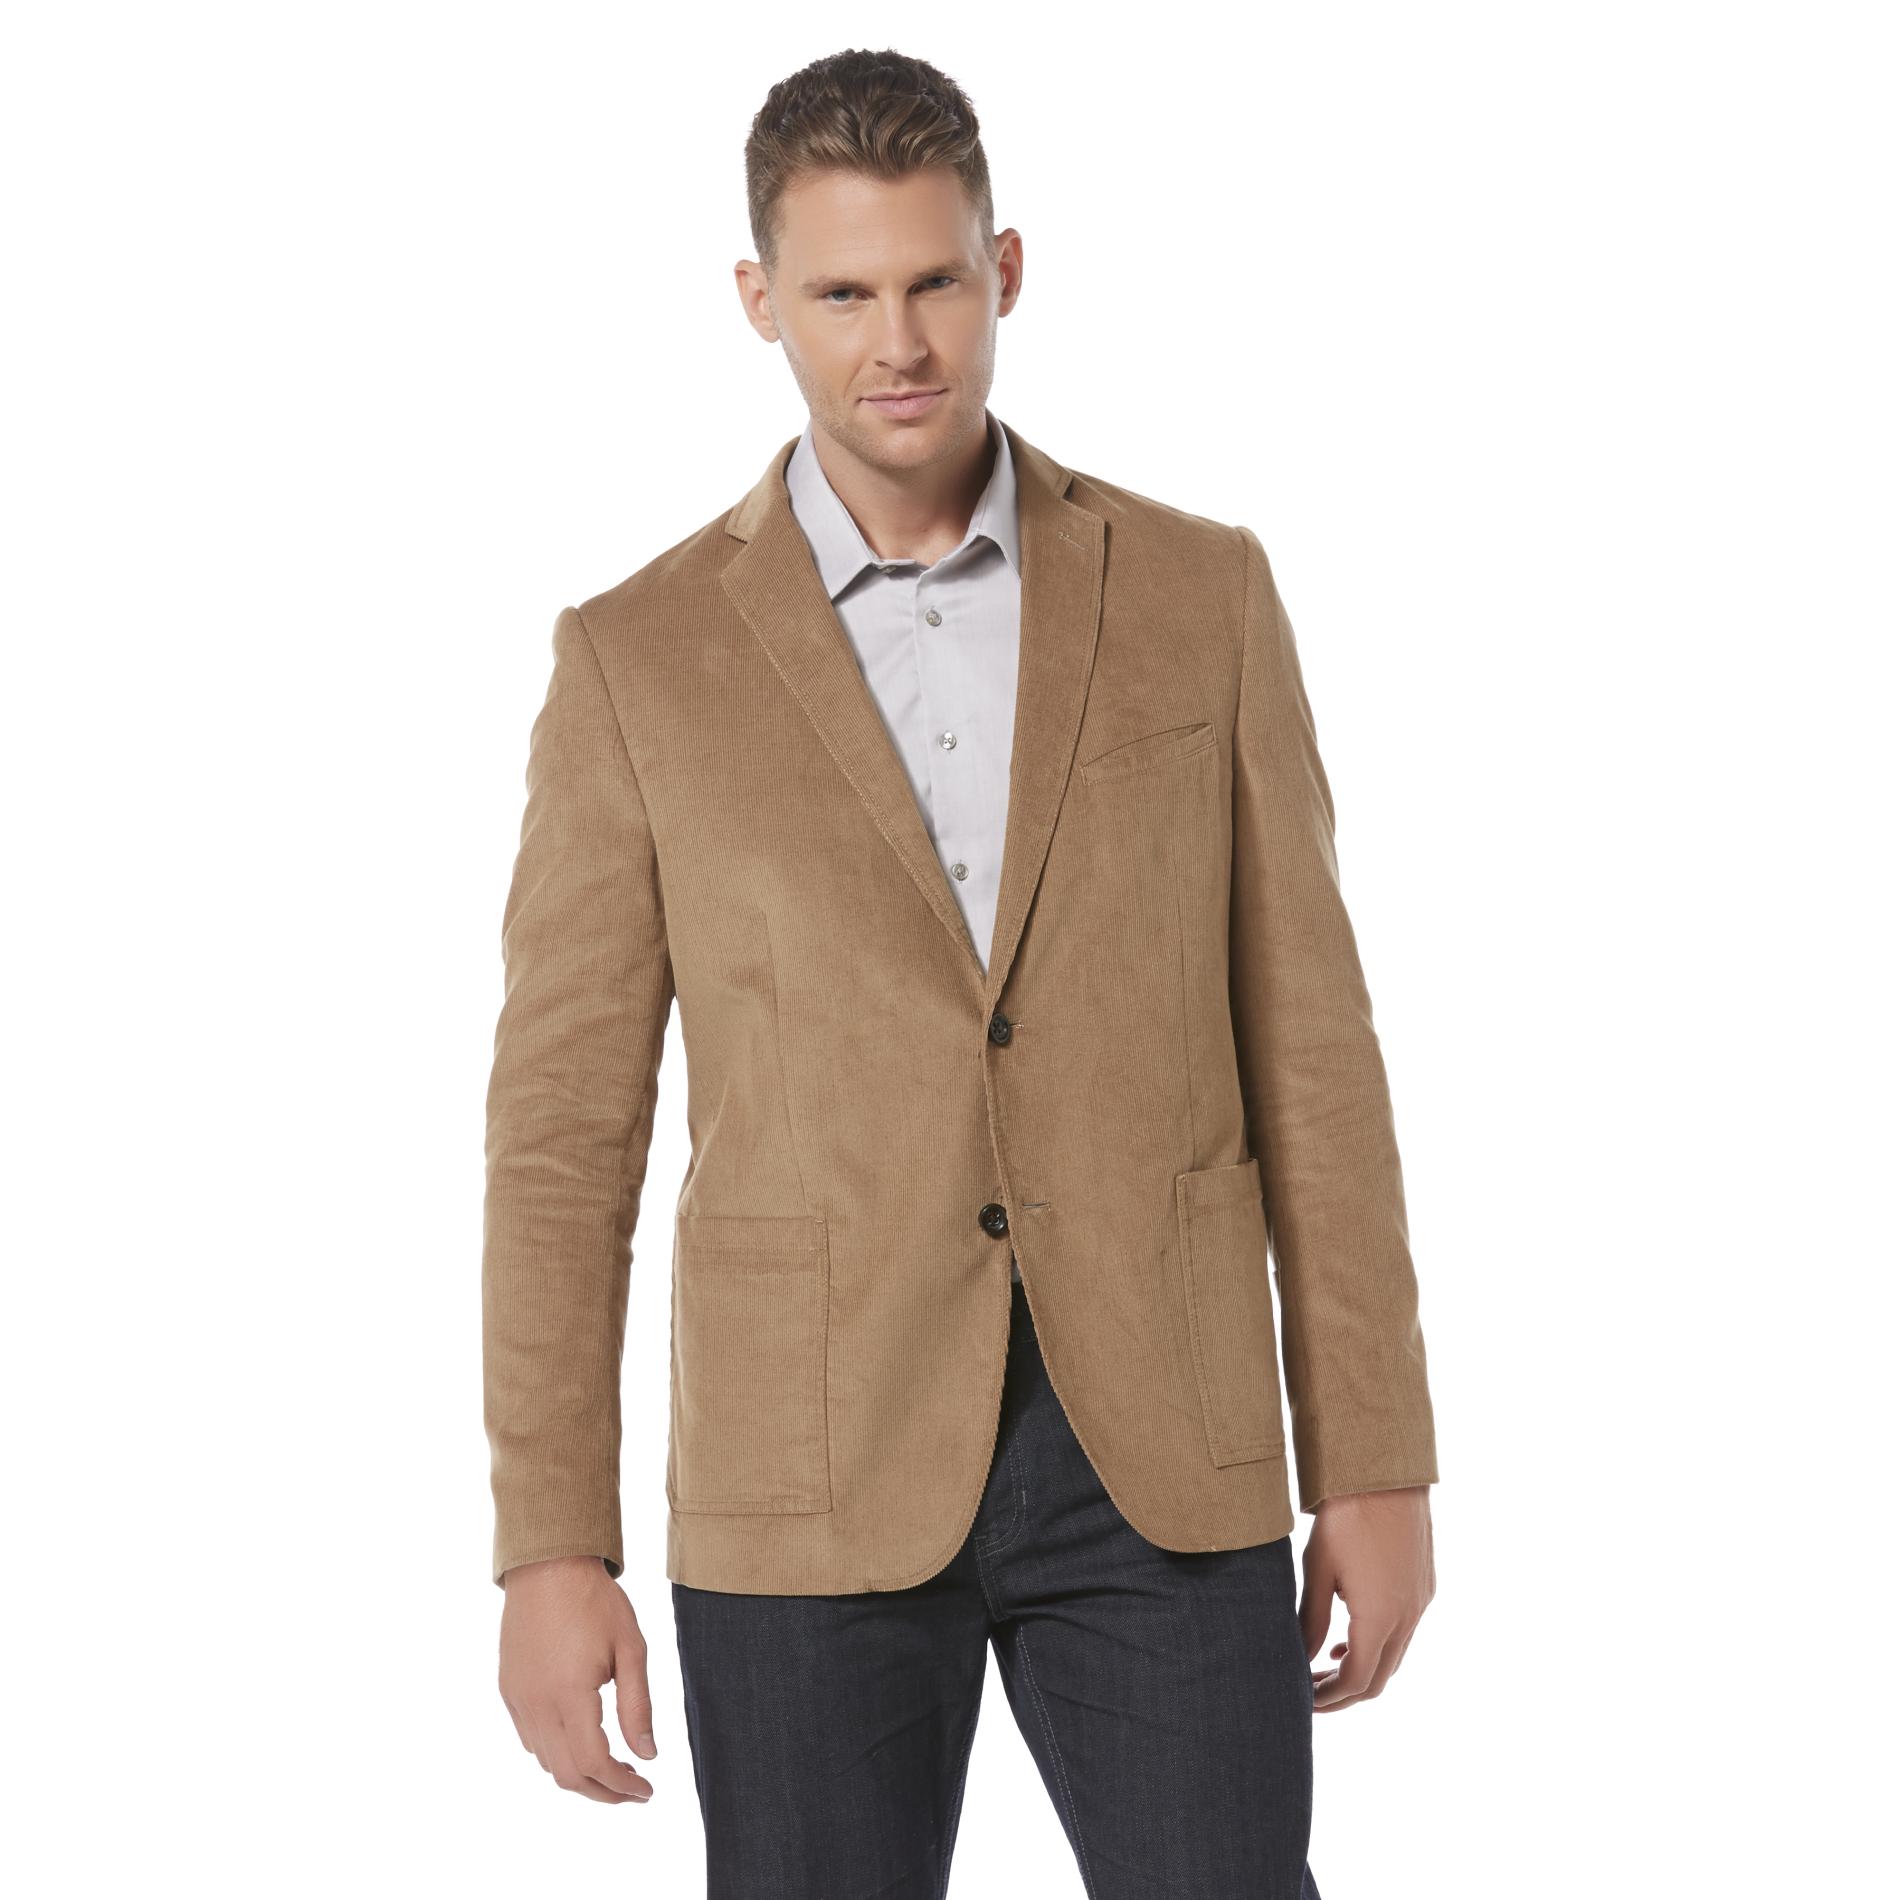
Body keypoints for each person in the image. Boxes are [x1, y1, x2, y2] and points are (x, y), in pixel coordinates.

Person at [483, 46, 1439, 1900]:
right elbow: (560, 1143)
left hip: (1156, 1445)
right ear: (760, 302)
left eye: (933, 280)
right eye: (843, 293)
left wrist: (1375, 1453)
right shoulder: (636, 661)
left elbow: (1314, 1053)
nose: (898, 341)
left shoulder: (1200, 596)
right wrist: (549, 1542)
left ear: (1005, 269)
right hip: (803, 1464)